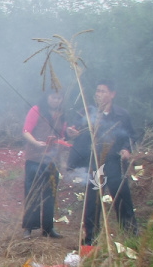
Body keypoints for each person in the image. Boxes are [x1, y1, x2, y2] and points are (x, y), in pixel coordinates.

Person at [77, 81, 138, 245]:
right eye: (97, 91)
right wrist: (74, 133)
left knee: (122, 198)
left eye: (103, 91)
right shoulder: (90, 114)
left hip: (116, 163)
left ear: (112, 94)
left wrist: (127, 149)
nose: (99, 94)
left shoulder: (122, 115)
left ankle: (130, 236)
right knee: (93, 201)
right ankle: (91, 238)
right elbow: (80, 135)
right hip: (97, 164)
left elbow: (130, 136)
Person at [21, 91, 66, 238]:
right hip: (34, 158)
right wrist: (36, 143)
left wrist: (61, 143)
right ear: (47, 97)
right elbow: (26, 131)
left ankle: (48, 228)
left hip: (52, 160)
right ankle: (29, 227)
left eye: (59, 98)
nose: (56, 100)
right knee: (32, 192)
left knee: (50, 194)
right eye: (53, 97)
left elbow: (63, 135)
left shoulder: (61, 114)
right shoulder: (36, 110)